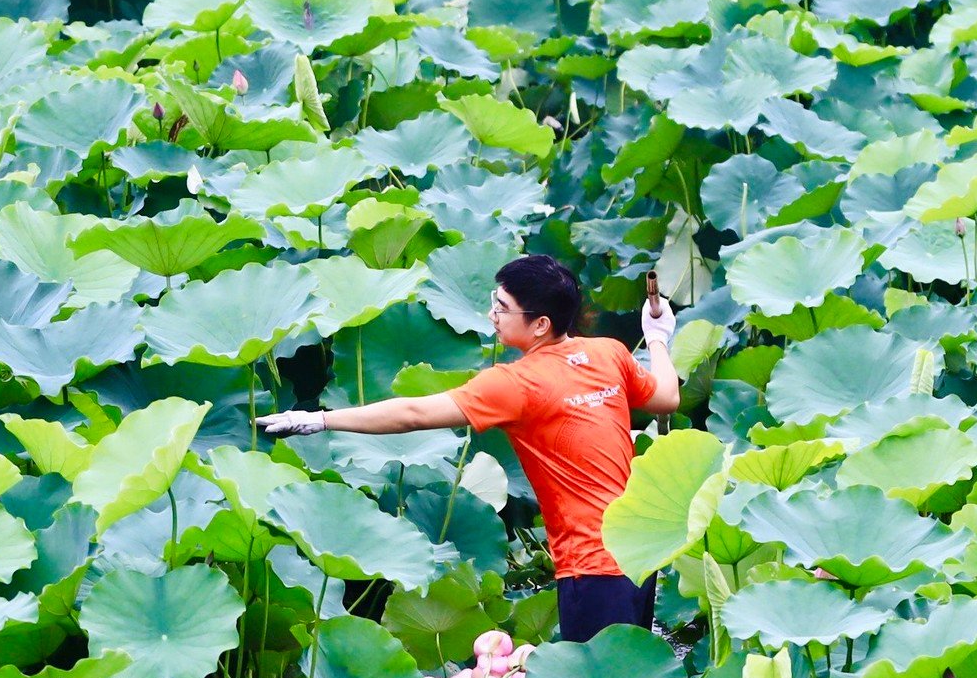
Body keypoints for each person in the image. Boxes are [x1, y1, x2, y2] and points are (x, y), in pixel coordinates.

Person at [257, 254, 680, 642]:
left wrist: (320, 418)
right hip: (640, 555)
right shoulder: (609, 354)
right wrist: (657, 337)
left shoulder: (516, 383)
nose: (491, 314)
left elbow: (414, 414)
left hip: (591, 566)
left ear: (540, 325)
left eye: (502, 307)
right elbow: (666, 398)